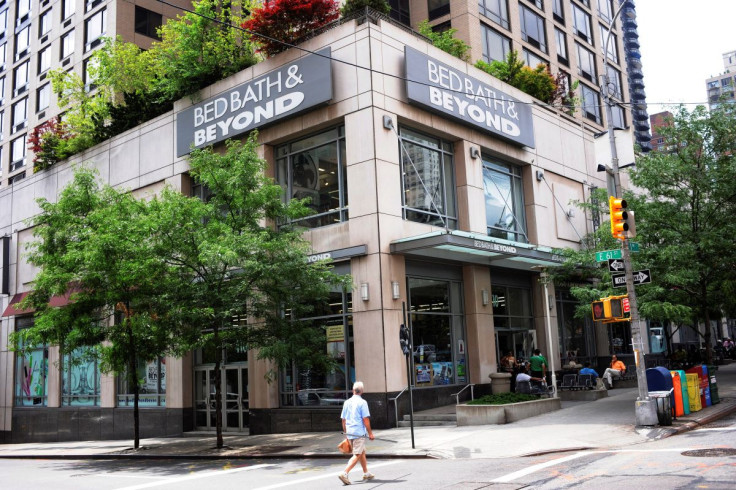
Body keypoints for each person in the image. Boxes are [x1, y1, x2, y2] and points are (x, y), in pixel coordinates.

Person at [338, 381, 375, 485]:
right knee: (357, 454)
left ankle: (366, 473)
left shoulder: (346, 402)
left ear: (353, 390)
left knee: (362, 452)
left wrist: (346, 433)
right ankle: (344, 473)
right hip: (359, 432)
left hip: (350, 432)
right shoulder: (363, 403)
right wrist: (370, 433)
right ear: (362, 391)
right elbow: (365, 420)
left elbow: (343, 420)